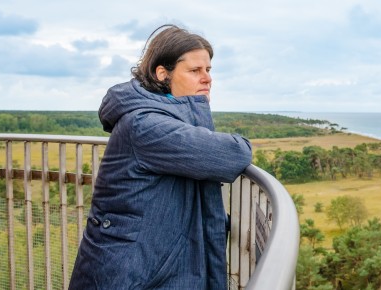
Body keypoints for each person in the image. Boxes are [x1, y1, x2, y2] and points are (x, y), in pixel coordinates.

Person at [69, 24, 253, 289]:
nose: (207, 78)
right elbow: (233, 154)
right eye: (194, 71)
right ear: (162, 74)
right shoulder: (145, 125)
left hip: (143, 262)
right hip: (132, 271)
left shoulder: (156, 117)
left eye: (208, 70)